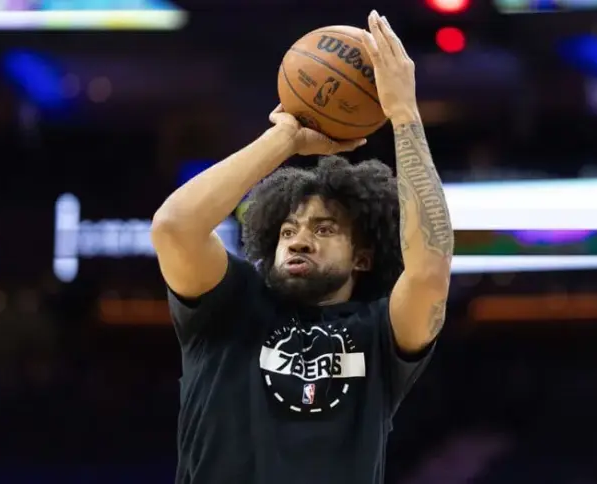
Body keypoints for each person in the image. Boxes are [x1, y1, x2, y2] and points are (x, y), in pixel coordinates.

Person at [151, 11, 453, 484]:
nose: (300, 239)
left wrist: (405, 117)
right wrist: (285, 138)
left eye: (324, 229)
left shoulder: (379, 332)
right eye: (288, 230)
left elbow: (430, 269)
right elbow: (174, 228)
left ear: (362, 257)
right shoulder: (228, 305)